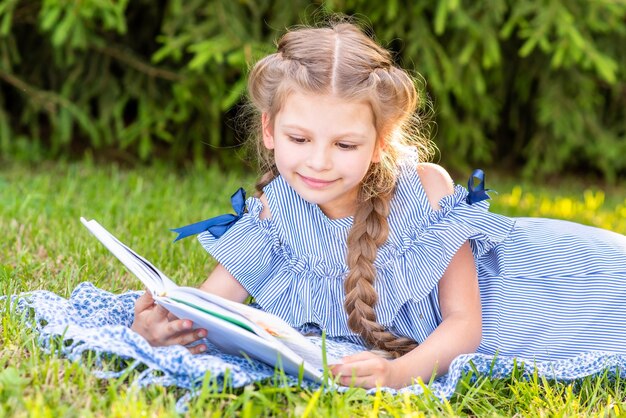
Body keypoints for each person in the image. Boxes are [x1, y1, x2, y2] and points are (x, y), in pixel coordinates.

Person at [130, 19, 626, 390]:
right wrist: (158, 326)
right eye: (299, 138)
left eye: (345, 145)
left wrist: (398, 374)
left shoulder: (423, 189)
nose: (319, 162)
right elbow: (207, 310)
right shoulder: (271, 217)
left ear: (380, 140)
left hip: (558, 285)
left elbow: (463, 322)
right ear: (269, 131)